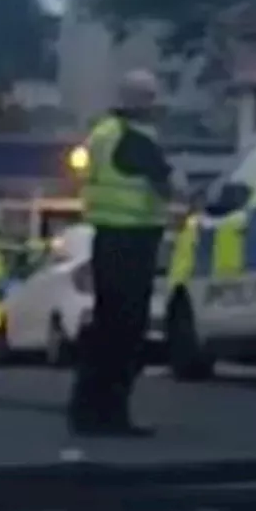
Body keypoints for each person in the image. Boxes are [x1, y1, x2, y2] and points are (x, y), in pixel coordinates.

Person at [67, 69, 179, 437]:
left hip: (107, 237)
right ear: (143, 102)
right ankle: (111, 414)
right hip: (133, 242)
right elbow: (167, 185)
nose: (155, 106)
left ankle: (86, 411)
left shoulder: (104, 132)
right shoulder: (135, 139)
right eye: (151, 99)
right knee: (125, 332)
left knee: (106, 327)